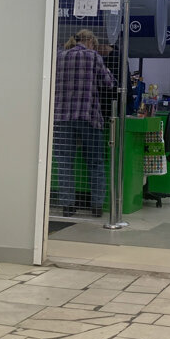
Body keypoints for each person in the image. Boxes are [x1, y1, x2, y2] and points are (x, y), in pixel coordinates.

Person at [54, 29, 115, 218]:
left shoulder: (59, 56)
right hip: (88, 116)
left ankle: (67, 206)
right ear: (90, 42)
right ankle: (96, 206)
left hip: (62, 117)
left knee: (65, 162)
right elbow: (108, 83)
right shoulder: (93, 56)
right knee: (95, 162)